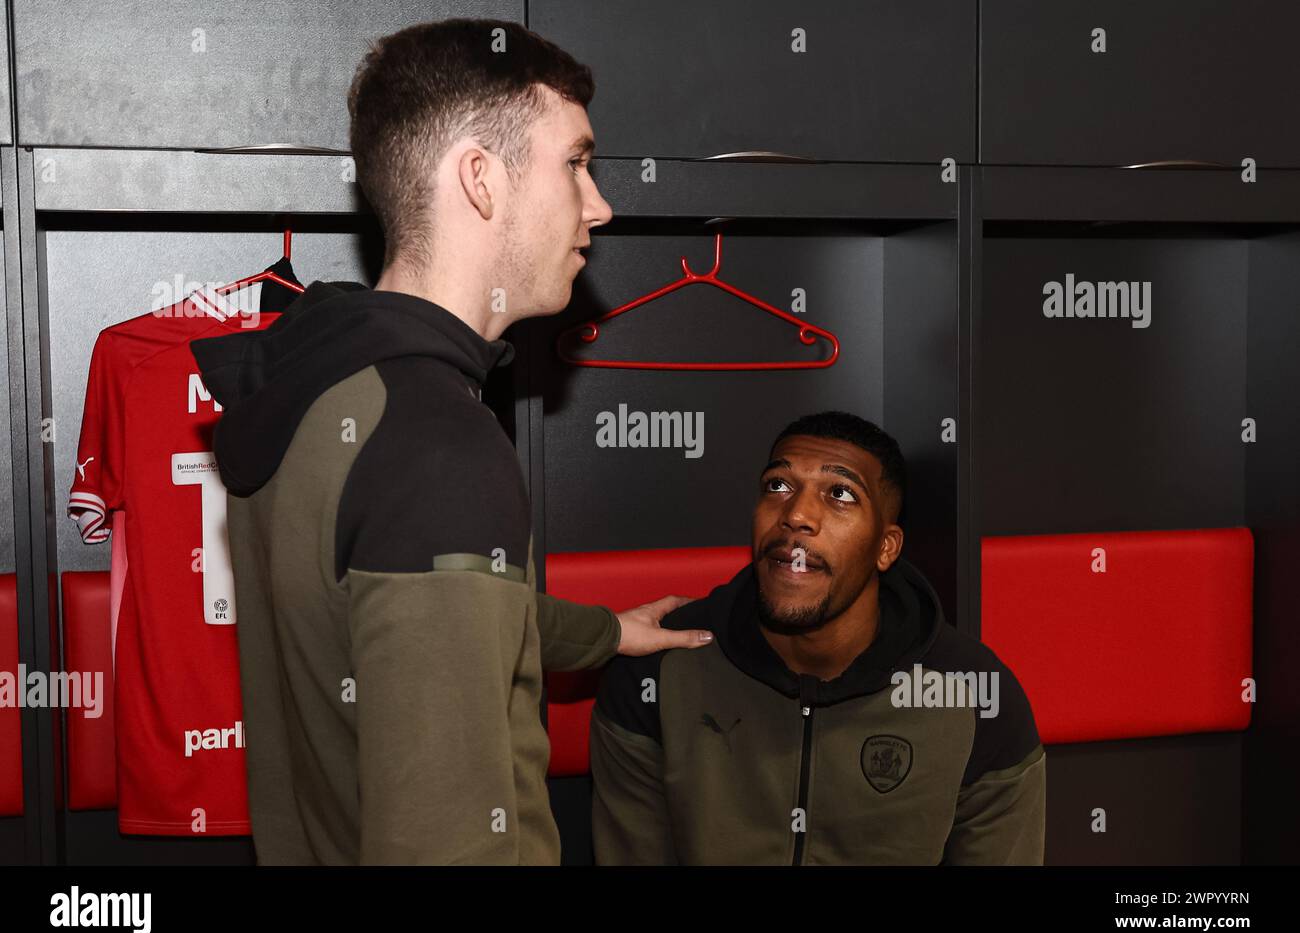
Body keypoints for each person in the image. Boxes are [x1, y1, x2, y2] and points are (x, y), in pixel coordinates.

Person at [190, 18, 710, 865]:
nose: (600, 204)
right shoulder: (436, 447)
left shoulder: (328, 381)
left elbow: (419, 621)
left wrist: (608, 633)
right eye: (576, 164)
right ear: (480, 178)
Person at [590, 411, 1046, 864]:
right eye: (779, 486)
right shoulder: (656, 671)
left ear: (885, 547)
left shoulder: (975, 695)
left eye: (841, 494)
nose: (797, 514)